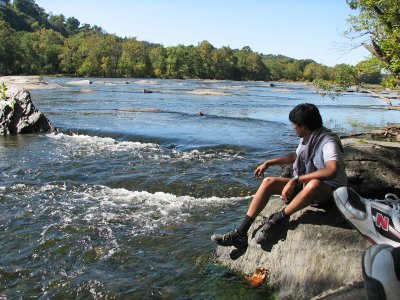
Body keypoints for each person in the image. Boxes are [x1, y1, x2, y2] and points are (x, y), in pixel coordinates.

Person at [211, 103, 347, 249]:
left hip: (331, 191)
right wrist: (269, 162)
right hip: (306, 186)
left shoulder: (328, 141)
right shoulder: (308, 138)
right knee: (268, 181)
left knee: (313, 183)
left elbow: (332, 169)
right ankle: (240, 233)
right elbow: (296, 156)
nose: (292, 127)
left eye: (293, 124)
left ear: (302, 126)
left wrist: (295, 180)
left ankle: (278, 219)